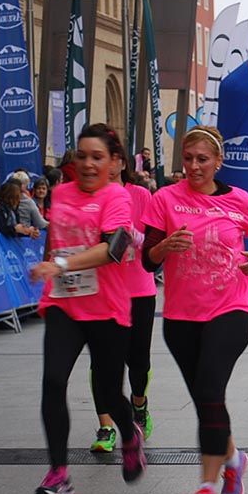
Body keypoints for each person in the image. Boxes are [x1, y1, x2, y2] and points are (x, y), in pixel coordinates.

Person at [141, 125, 248, 494]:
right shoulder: (164, 199)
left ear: (218, 162)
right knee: (206, 400)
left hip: (231, 308)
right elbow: (147, 259)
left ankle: (207, 486)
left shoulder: (239, 199)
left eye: (202, 159)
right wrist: (165, 246)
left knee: (211, 389)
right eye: (188, 159)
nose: (194, 166)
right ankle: (234, 459)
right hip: (181, 316)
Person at [29, 123, 146, 494]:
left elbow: (112, 250)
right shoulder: (61, 193)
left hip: (106, 308)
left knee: (109, 393)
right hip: (63, 304)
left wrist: (61, 265)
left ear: (114, 162)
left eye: (98, 157)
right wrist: (48, 267)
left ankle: (129, 435)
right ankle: (58, 473)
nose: (88, 164)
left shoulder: (118, 198)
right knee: (52, 381)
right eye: (82, 156)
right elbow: (56, 239)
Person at [90, 146, 158, 453]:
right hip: (102, 290)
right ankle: (106, 426)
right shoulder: (90, 195)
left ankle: (139, 405)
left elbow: (153, 239)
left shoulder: (140, 195)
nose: (103, 164)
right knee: (101, 361)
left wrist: (131, 235)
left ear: (121, 162)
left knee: (138, 361)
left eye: (109, 158)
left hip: (138, 288)